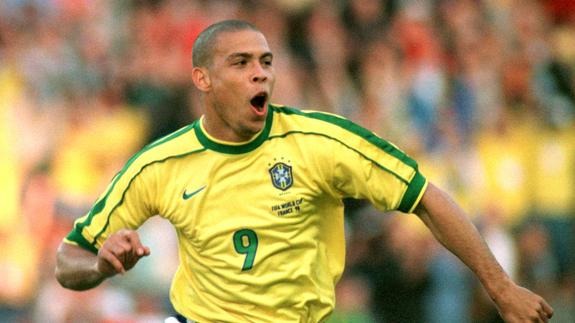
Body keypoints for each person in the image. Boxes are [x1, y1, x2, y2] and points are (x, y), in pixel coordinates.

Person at [55, 20, 554, 323]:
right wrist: (100, 264)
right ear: (202, 79)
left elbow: (425, 195)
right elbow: (68, 258)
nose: (261, 73)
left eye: (266, 62)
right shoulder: (159, 164)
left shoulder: (320, 142)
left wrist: (501, 288)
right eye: (241, 62)